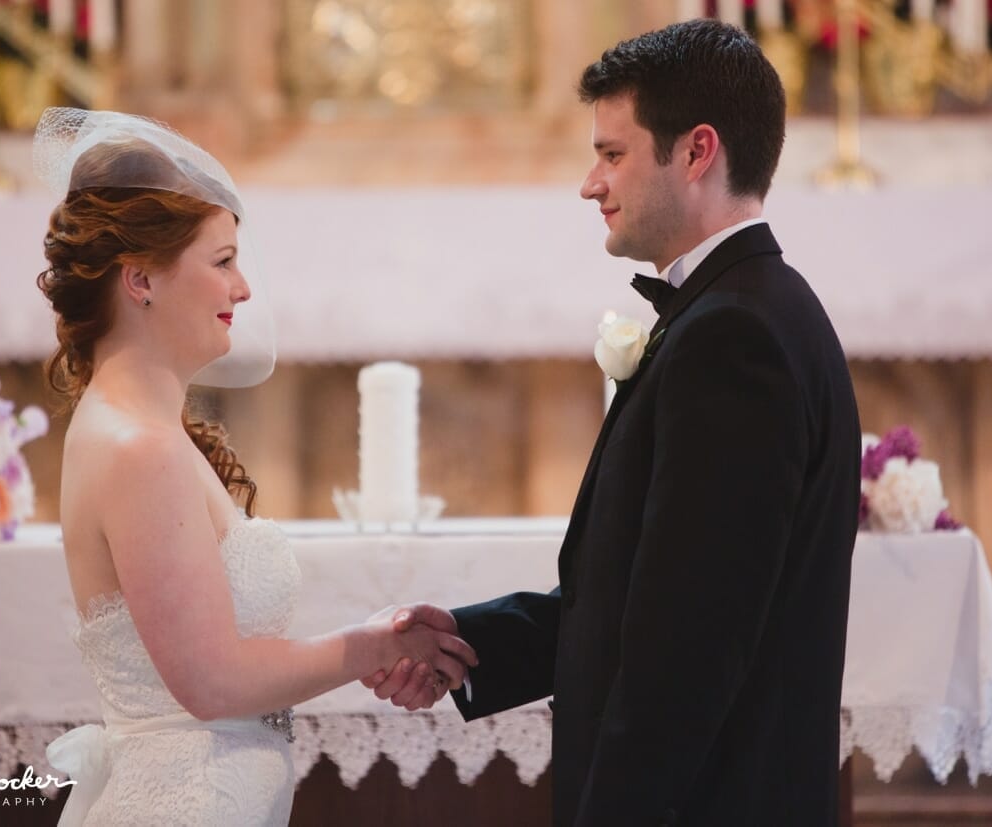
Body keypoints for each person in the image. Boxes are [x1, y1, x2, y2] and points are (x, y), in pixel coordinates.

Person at [365, 20, 861, 826]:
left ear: (697, 151)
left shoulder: (735, 339)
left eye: (612, 153)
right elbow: (648, 597)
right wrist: (466, 640)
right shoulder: (738, 311)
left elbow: (688, 653)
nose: (590, 183)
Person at [35, 108, 475, 826]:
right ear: (140, 278)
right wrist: (371, 645)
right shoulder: (137, 446)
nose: (242, 289)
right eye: (221, 261)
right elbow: (210, 679)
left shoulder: (142, 427)